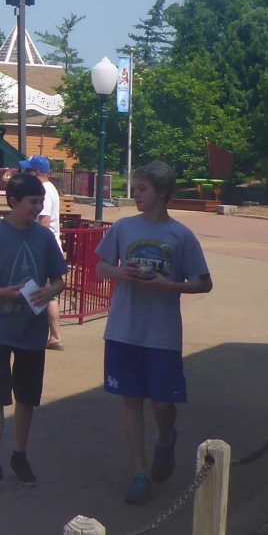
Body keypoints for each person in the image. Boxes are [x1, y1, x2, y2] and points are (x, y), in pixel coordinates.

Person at [95, 161, 212, 505]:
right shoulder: (123, 228)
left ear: (161, 192)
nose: (135, 195)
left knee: (161, 404)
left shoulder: (181, 235)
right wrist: (122, 274)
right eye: (134, 188)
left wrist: (169, 285)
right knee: (131, 400)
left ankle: (165, 440)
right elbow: (101, 265)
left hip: (162, 333)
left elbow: (203, 282)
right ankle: (139, 473)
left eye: (142, 189)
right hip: (123, 329)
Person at [0, 172, 68, 492]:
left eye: (40, 202)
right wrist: (2, 291)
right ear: (13, 203)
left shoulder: (44, 237)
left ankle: (19, 455)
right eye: (33, 202)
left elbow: (59, 279)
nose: (38, 208)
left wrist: (49, 293)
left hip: (32, 329)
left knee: (27, 396)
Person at [24, 157, 67, 350]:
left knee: (45, 293)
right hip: (49, 246)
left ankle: (55, 336)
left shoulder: (45, 191)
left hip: (44, 247)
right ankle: (53, 336)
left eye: (29, 171)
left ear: (37, 173)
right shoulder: (50, 188)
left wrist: (34, 244)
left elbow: (45, 221)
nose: (25, 174)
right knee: (47, 293)